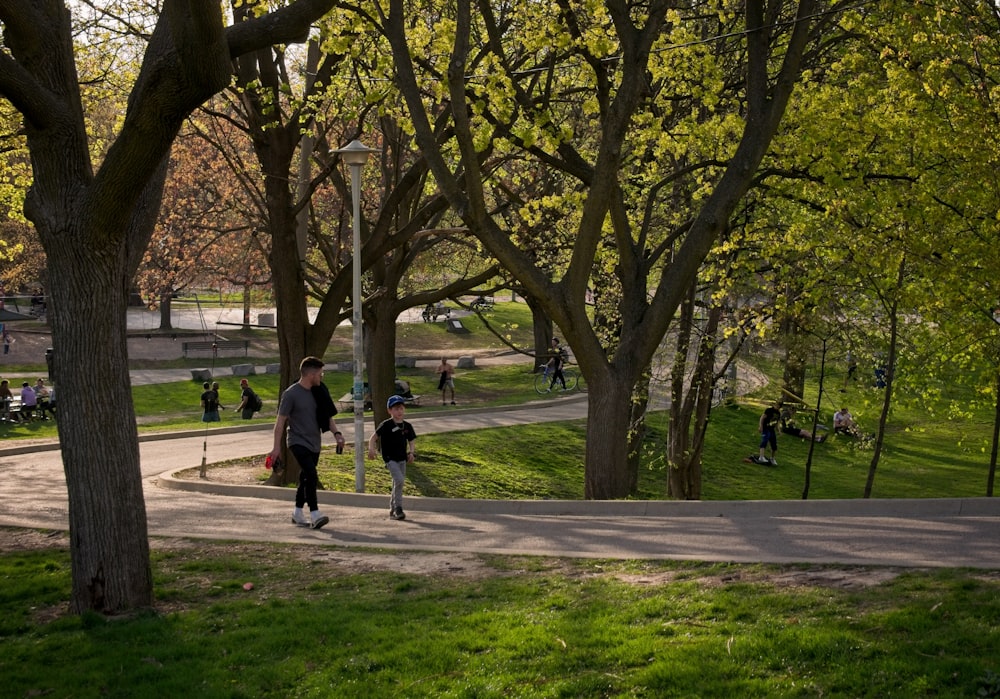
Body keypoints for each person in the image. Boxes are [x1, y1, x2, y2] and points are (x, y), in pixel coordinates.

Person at [268, 356, 345, 530]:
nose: (321, 377)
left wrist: (337, 434)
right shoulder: (291, 394)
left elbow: (327, 417)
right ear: (311, 374)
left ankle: (297, 512)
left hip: (314, 442)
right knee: (311, 474)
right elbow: (280, 423)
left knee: (305, 478)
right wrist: (276, 448)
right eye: (320, 373)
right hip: (297, 441)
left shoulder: (319, 391)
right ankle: (315, 513)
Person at [368, 394, 417, 521]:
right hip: (390, 459)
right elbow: (373, 437)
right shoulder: (386, 425)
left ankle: (392, 508)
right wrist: (371, 449)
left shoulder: (407, 426)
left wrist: (411, 453)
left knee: (398, 483)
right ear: (389, 411)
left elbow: (411, 440)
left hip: (402, 459)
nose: (399, 411)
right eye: (395, 409)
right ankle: (398, 508)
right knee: (399, 480)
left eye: (401, 408)